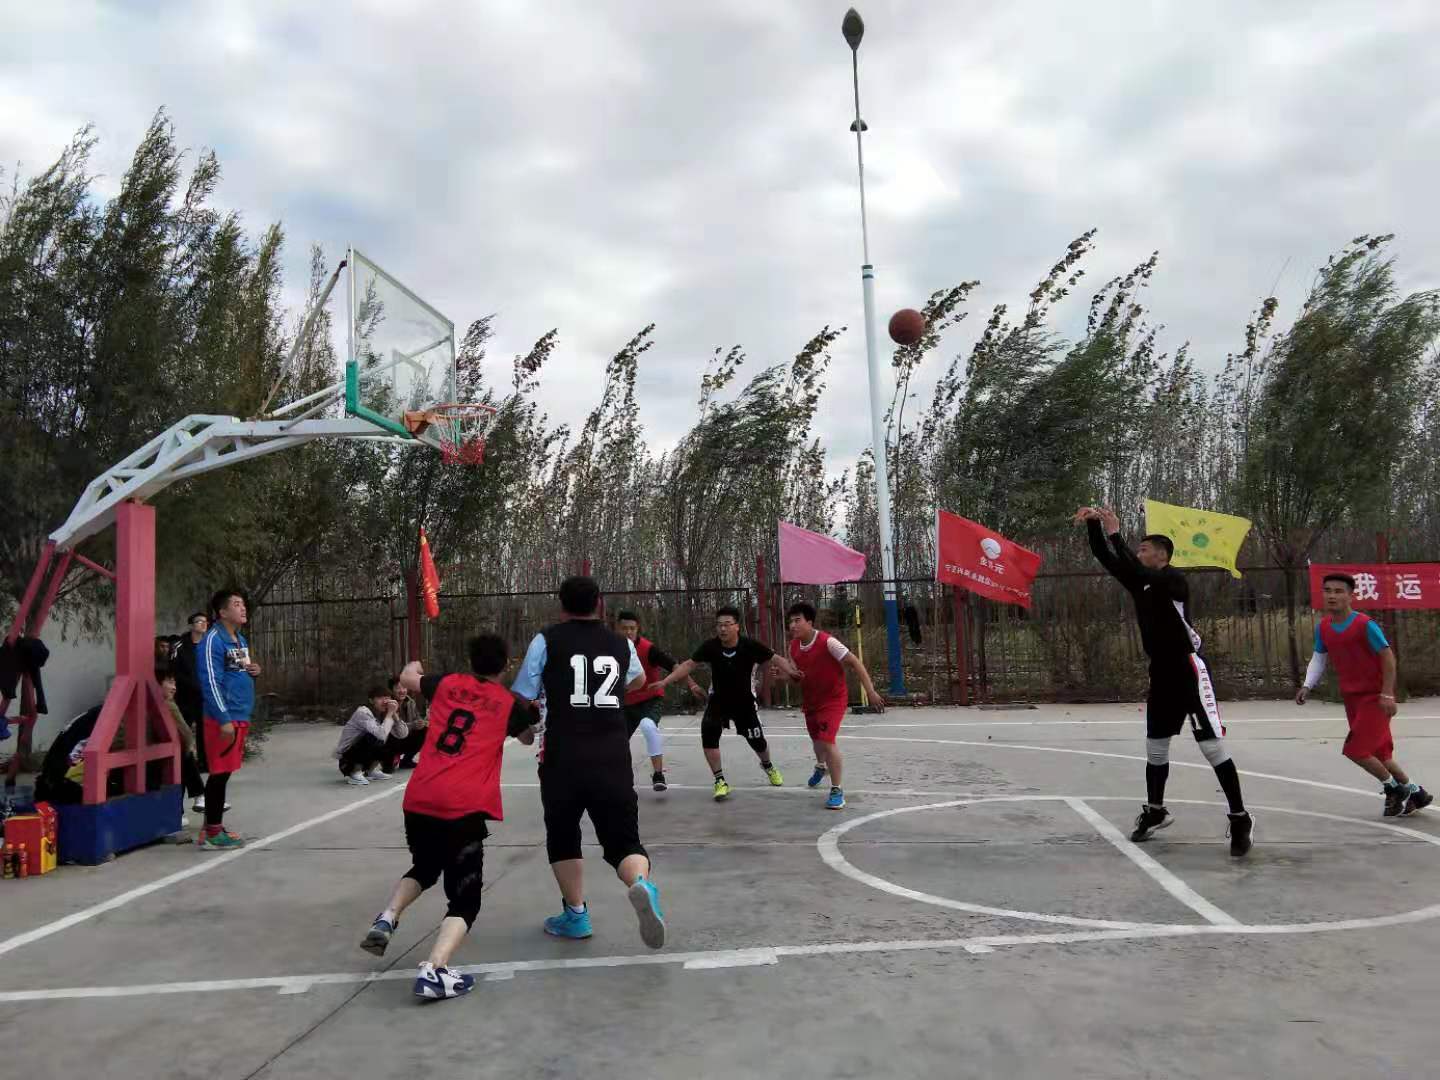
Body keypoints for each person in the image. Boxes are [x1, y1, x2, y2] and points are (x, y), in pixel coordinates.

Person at [359, 639, 538, 1001]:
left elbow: (407, 677)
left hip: (420, 797)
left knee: (425, 868)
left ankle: (388, 916)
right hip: (462, 807)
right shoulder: (507, 703)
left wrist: (415, 663)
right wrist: (527, 715)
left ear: (471, 661)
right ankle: (435, 969)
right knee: (465, 900)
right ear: (504, 665)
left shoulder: (446, 683)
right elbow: (527, 738)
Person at [1075, 506, 1253, 856]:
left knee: (1211, 747)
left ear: (1162, 555)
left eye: (1144, 549)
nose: (1138, 553)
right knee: (1156, 747)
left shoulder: (1173, 581)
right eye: (1138, 549)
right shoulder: (1140, 581)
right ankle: (1155, 811)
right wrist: (1094, 525)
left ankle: (1240, 818)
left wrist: (1116, 534)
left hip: (1187, 670)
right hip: (1161, 672)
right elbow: (1107, 558)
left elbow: (1138, 569)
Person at [510, 576, 667, 949]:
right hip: (612, 754)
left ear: (561, 605)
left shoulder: (546, 639)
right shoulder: (620, 642)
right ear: (599, 603)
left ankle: (576, 914)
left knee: (563, 835)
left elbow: (523, 694)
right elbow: (638, 680)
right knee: (623, 840)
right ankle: (640, 883)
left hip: (563, 754)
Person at [1297, 573, 1432, 817]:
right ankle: (1416, 793)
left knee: (1355, 751)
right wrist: (1307, 685)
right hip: (1352, 699)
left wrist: (1387, 693)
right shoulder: (1324, 628)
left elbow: (1388, 657)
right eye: (1328, 591)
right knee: (1380, 755)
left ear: (1351, 596)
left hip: (1375, 699)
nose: (1332, 596)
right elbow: (1319, 658)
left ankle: (1394, 789)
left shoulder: (1364, 625)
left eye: (1339, 591)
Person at [653, 605, 802, 801]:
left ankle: (767, 765)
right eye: (719, 625)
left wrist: (791, 672)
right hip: (718, 701)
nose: (722, 629)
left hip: (744, 703)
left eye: (727, 624)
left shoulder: (749, 645)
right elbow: (688, 665)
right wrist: (665, 682)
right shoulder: (711, 646)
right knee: (709, 735)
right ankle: (720, 780)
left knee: (758, 742)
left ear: (737, 626)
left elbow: (776, 658)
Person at [780, 601, 886, 810]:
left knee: (827, 741)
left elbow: (855, 662)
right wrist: (785, 676)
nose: (792, 625)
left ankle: (837, 790)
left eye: (797, 620)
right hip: (811, 700)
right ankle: (821, 766)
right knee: (817, 740)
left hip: (833, 699)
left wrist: (870, 691)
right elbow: (798, 678)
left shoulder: (828, 642)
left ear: (810, 622)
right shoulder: (793, 647)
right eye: (790, 621)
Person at [615, 610, 705, 792]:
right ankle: (620, 777)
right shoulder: (611, 648)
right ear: (617, 629)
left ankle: (658, 775)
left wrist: (692, 684)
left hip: (650, 698)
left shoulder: (648, 649)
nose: (629, 632)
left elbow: (675, 666)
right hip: (626, 702)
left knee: (648, 726)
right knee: (616, 740)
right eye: (624, 628)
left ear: (638, 629)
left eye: (632, 628)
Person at [198, 588, 260, 850]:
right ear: (222, 612)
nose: (242, 608)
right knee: (219, 773)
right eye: (236, 604)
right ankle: (212, 834)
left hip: (239, 714)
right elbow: (210, 681)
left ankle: (211, 827)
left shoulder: (239, 639)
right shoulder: (213, 640)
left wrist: (254, 671)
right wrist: (223, 718)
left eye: (243, 604)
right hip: (223, 718)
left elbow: (237, 671)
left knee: (224, 773)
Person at [334, 685, 410, 785]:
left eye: (387, 698)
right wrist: (389, 714)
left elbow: (403, 734)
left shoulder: (385, 713)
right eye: (380, 698)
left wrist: (394, 714)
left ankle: (370, 770)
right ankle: (355, 772)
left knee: (391, 739)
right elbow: (380, 735)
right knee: (374, 737)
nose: (385, 701)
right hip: (347, 759)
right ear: (371, 700)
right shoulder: (363, 712)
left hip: (360, 753)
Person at [157, 667, 205, 803]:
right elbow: (185, 732)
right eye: (170, 682)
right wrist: (191, 747)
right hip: (160, 755)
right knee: (185, 754)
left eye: (175, 683)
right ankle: (198, 795)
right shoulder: (168, 705)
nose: (174, 688)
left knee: (183, 756)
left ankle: (197, 796)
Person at [172, 612, 209, 777]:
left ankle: (204, 763)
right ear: (191, 625)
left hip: (205, 696)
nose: (203, 624)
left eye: (205, 621)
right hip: (185, 696)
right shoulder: (179, 646)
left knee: (204, 730)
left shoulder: (209, 644)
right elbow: (174, 671)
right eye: (199, 621)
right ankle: (182, 764)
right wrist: (191, 684)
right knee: (183, 730)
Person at [391, 671, 429, 769]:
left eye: (404, 687)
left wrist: (422, 723)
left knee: (425, 730)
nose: (402, 691)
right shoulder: (389, 704)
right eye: (398, 688)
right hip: (392, 739)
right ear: (391, 690)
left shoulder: (410, 702)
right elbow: (392, 729)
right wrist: (413, 725)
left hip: (406, 737)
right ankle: (391, 757)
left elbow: (417, 719)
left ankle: (406, 761)